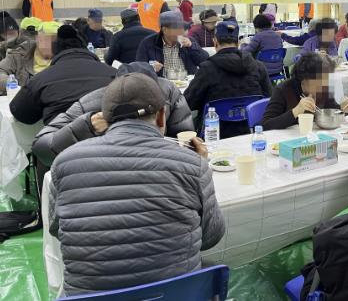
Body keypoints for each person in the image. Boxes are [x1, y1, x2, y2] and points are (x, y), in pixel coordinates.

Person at [48, 72, 224, 296]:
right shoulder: (193, 164)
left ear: (105, 120)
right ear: (161, 116)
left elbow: (58, 229)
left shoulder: (63, 162)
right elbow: (211, 237)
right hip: (176, 295)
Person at [33, 61, 195, 168]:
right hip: (107, 166)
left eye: (146, 89)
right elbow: (42, 148)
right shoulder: (92, 103)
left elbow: (184, 135)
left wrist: (190, 149)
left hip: (160, 166)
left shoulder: (168, 93)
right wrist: (86, 126)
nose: (140, 95)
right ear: (115, 88)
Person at [10, 24, 116, 124]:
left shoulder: (41, 79)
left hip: (61, 135)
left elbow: (21, 113)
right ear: (86, 47)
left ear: (55, 51)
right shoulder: (115, 75)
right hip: (109, 135)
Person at [184, 21, 272, 138]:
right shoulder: (258, 66)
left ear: (215, 41)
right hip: (251, 130)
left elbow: (188, 103)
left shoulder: (207, 68)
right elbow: (268, 98)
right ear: (238, 42)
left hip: (214, 133)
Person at [262, 53, 348, 130]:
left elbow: (329, 110)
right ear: (304, 81)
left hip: (315, 136)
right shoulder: (283, 90)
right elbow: (266, 125)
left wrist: (342, 108)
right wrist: (296, 111)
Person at [136, 11, 209, 78]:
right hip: (162, 84)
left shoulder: (188, 41)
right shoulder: (148, 43)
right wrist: (151, 67)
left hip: (187, 83)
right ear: (164, 30)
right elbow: (139, 68)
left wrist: (192, 46)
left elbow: (205, 61)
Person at [0, 21, 60, 95]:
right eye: (48, 40)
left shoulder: (66, 58)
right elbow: (1, 71)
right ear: (38, 39)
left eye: (56, 41)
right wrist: (13, 86)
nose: (53, 44)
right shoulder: (19, 54)